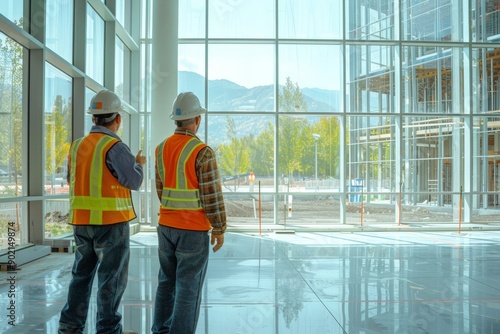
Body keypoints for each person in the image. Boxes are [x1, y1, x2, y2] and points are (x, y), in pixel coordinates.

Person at [58, 90, 146, 334]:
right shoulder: (115, 146)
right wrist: (139, 164)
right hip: (110, 223)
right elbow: (134, 181)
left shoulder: (76, 147)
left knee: (81, 276)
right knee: (111, 280)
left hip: (81, 223)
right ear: (117, 119)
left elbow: (71, 179)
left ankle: (69, 328)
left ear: (94, 119)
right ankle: (107, 330)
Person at [152, 92, 226, 334]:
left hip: (165, 227)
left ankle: (160, 331)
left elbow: (161, 190)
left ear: (176, 120)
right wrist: (219, 227)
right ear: (197, 120)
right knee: (188, 287)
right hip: (192, 230)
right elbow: (212, 195)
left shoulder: (160, 148)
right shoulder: (202, 152)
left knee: (166, 283)